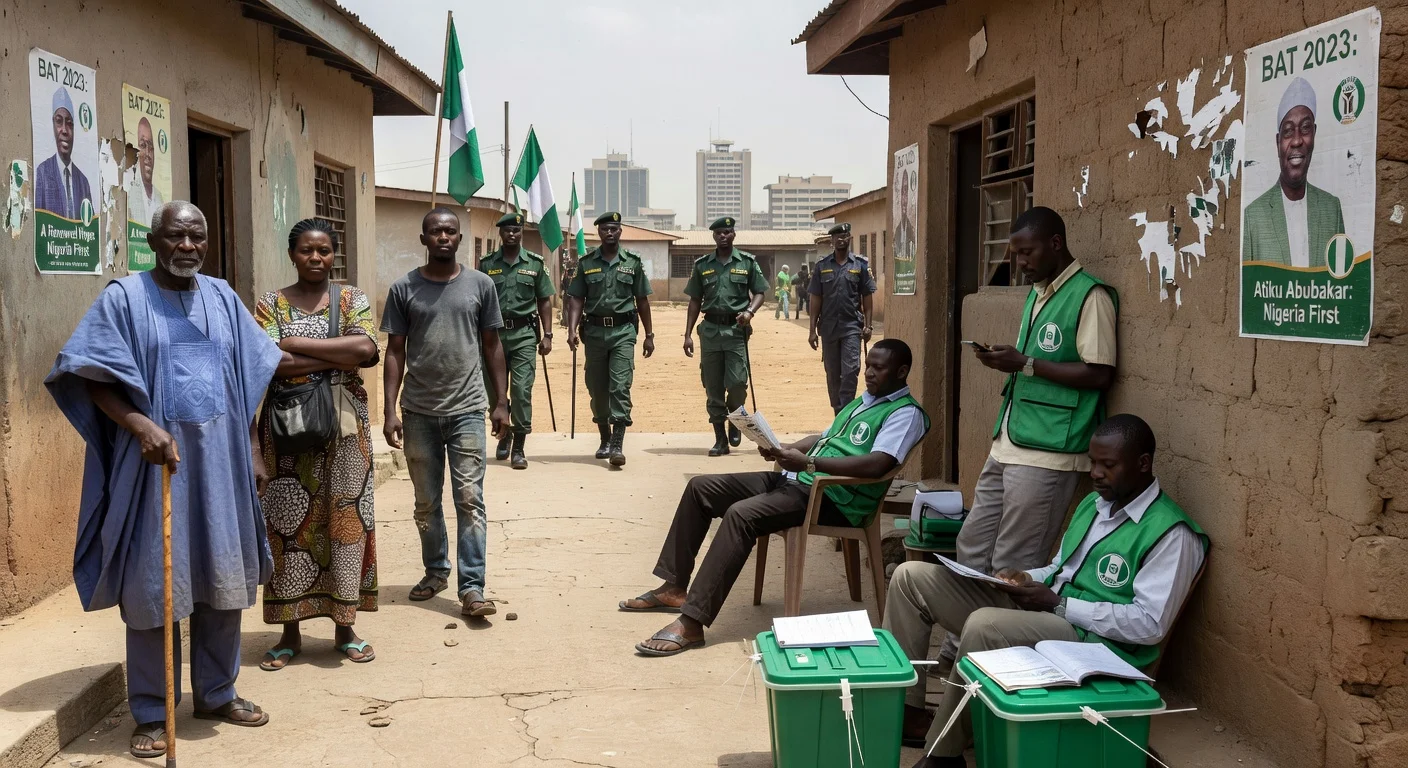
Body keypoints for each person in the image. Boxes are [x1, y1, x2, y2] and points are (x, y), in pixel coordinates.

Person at [46, 201, 281, 758]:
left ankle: (218, 693)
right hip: (155, 468)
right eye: (176, 237)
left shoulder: (223, 297)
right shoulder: (123, 300)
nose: (189, 247)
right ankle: (152, 711)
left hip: (221, 466)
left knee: (223, 578)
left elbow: (246, 377)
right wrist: (139, 425)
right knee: (154, 586)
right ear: (153, 241)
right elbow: (87, 375)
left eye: (197, 237)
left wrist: (252, 447)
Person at [885, 415, 1207, 767]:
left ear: (1143, 464)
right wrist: (1025, 577)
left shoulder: (1171, 534)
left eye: (1108, 465)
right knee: (910, 577)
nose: (1095, 473)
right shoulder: (1096, 504)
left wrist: (1060, 604)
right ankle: (906, 712)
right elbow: (1061, 568)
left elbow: (1149, 626)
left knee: (984, 626)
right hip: (1052, 612)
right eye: (1093, 463)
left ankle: (943, 755)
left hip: (1096, 644)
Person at [620, 339, 929, 656]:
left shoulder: (905, 413)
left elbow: (879, 464)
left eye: (879, 368)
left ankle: (692, 622)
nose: (869, 374)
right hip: (800, 481)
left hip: (833, 500)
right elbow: (826, 439)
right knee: (701, 488)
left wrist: (808, 463)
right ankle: (674, 587)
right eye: (868, 366)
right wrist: (786, 450)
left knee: (741, 516)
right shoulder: (864, 401)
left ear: (902, 371)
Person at [944, 205, 1118, 668]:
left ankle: (993, 665)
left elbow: (1099, 373)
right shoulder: (1039, 292)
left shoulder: (1090, 296)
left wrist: (1025, 363)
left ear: (1055, 244)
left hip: (1050, 453)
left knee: (1012, 562)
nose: (1020, 262)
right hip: (1011, 438)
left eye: (1027, 252)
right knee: (973, 546)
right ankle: (958, 646)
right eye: (1015, 253)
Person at [256, 218, 381, 670]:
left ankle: (345, 627)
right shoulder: (270, 303)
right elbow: (268, 362)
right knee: (290, 527)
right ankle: (290, 632)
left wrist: (297, 347)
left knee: (346, 521)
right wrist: (335, 350)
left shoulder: (353, 299)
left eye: (324, 251)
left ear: (334, 255)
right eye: (307, 250)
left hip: (346, 431)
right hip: (289, 429)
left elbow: (365, 350)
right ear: (292, 254)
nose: (316, 258)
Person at [381, 206, 510, 619]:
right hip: (418, 411)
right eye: (435, 231)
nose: (442, 237)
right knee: (425, 502)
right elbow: (395, 352)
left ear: (459, 238)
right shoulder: (404, 289)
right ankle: (435, 571)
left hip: (468, 409)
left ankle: (472, 588)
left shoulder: (480, 285)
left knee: (470, 500)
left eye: (450, 231)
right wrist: (389, 410)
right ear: (423, 239)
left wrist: (501, 402)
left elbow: (492, 346)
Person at [565, 211, 655, 466]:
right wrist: (571, 330)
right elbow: (576, 299)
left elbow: (642, 301)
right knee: (597, 388)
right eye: (605, 229)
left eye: (614, 228)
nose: (610, 233)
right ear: (599, 232)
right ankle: (604, 437)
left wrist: (649, 335)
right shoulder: (586, 263)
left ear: (620, 231)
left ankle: (617, 444)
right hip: (593, 333)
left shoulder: (632, 262)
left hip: (623, 333)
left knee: (620, 385)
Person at [682, 216, 768, 456]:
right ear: (713, 236)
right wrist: (687, 334)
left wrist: (749, 312)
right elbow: (695, 301)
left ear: (734, 235)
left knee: (738, 383)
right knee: (713, 386)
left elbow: (760, 292)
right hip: (709, 331)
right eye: (719, 232)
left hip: (736, 330)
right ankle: (720, 440)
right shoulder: (702, 265)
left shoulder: (747, 262)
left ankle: (735, 417)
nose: (723, 236)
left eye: (727, 232)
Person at [1242, 76, 1347, 268]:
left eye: (1305, 128)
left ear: (1314, 134)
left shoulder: (1332, 209)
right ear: (1278, 142)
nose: (1297, 140)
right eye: (1288, 131)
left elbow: (1342, 281)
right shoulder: (1253, 216)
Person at [478, 212, 555, 469]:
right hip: (493, 337)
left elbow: (544, 299)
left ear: (522, 233)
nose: (512, 234)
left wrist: (547, 334)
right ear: (500, 233)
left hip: (523, 335)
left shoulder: (535, 263)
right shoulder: (487, 264)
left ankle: (519, 446)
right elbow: (477, 301)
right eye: (508, 230)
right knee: (495, 391)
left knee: (522, 390)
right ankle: (504, 433)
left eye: (517, 231)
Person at [809, 223, 876, 413]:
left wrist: (869, 326)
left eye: (844, 236)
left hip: (852, 327)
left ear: (849, 238)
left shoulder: (860, 265)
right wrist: (812, 330)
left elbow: (867, 296)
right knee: (832, 373)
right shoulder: (822, 267)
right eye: (836, 236)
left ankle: (846, 411)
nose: (840, 239)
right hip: (828, 328)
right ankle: (838, 412)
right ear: (831, 241)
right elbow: (816, 298)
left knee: (850, 371)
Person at [34, 87, 93, 221]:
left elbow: (90, 228)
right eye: (59, 121)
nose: (64, 130)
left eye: (70, 123)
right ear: (53, 125)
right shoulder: (43, 173)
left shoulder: (83, 182)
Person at [126, 117, 165, 228]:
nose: (148, 154)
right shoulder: (130, 191)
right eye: (142, 146)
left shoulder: (159, 197)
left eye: (151, 147)